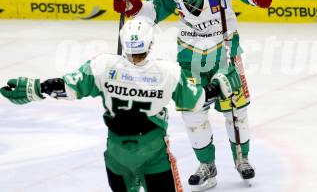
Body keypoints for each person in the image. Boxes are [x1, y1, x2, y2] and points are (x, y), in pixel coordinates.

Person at [113, 0, 272, 191]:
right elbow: (152, 10)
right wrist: (132, 6)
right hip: (189, 52)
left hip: (225, 48)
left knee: (236, 109)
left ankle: (241, 158)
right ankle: (206, 165)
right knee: (192, 111)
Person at [0, 18, 241, 192]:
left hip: (117, 156)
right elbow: (197, 101)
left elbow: (67, 86)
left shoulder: (103, 66)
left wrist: (35, 88)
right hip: (154, 156)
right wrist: (219, 85)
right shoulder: (169, 72)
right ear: (150, 45)